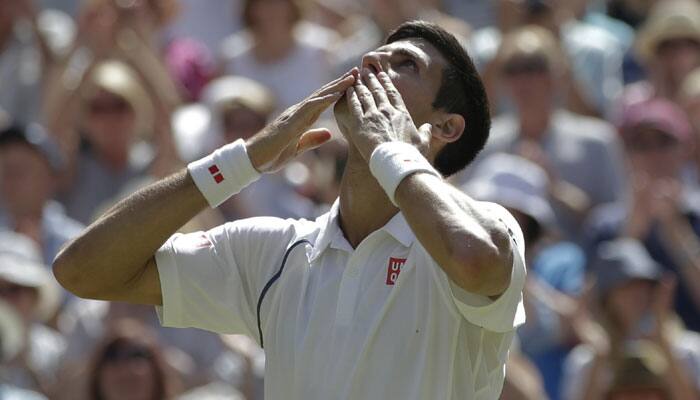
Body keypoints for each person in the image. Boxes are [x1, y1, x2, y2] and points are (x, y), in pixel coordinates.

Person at [54, 21, 526, 399]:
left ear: (445, 126)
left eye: (405, 63)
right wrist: (244, 159)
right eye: (377, 52)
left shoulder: (491, 226)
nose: (371, 61)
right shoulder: (273, 250)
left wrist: (392, 150)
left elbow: (474, 259)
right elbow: (83, 271)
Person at [560, 239, 700, 400]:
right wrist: (601, 354)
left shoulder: (688, 350)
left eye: (645, 285)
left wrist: (663, 345)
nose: (638, 294)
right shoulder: (586, 359)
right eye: (626, 286)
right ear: (607, 297)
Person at [0, 123, 84, 266]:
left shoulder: (78, 242)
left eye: (20, 170)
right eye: (5, 170)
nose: (10, 179)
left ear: (50, 177)